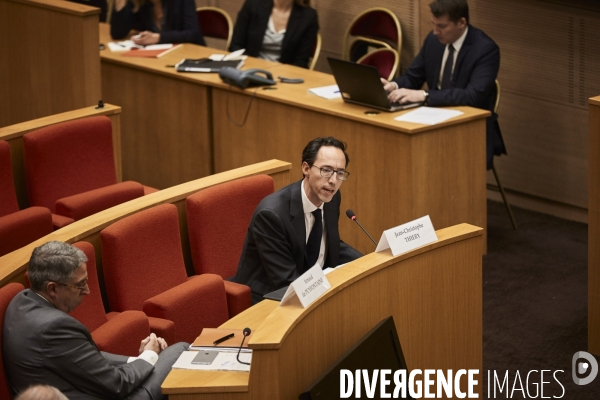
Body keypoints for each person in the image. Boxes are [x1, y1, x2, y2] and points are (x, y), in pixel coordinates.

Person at [3, 241, 188, 400]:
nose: (87, 291)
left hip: (76, 387)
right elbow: (118, 385)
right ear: (52, 289)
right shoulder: (53, 327)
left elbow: (85, 358)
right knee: (179, 351)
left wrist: (139, 358)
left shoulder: (22, 300)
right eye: (80, 284)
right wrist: (150, 356)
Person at [233, 137, 362, 304]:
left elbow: (330, 243)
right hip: (269, 298)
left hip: (307, 285)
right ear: (306, 168)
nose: (333, 181)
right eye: (326, 170)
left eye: (339, 173)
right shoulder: (272, 215)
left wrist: (368, 263)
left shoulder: (331, 196)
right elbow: (286, 282)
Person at [382, 0, 506, 169]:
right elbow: (413, 76)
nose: (435, 32)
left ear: (462, 23)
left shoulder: (485, 49)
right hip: (430, 119)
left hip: (469, 127)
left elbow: (472, 96)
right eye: (433, 25)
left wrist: (425, 95)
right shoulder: (434, 41)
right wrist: (393, 86)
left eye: (442, 26)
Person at [229, 0, 319, 68]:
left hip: (283, 77)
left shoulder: (308, 16)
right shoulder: (253, 4)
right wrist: (252, 68)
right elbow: (236, 46)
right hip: (248, 69)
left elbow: (301, 62)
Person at [110, 0, 206, 46]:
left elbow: (193, 33)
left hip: (190, 56)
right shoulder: (139, 2)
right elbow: (117, 33)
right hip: (158, 59)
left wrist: (158, 38)